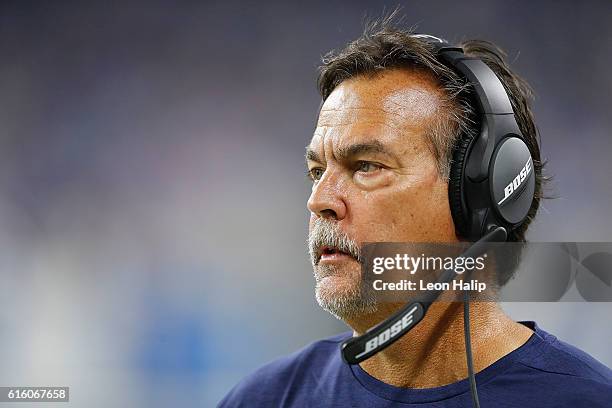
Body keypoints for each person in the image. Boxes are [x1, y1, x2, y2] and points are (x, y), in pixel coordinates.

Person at [219, 18, 612, 407]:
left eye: (366, 166)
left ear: (481, 197)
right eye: (317, 171)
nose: (319, 199)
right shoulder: (264, 398)